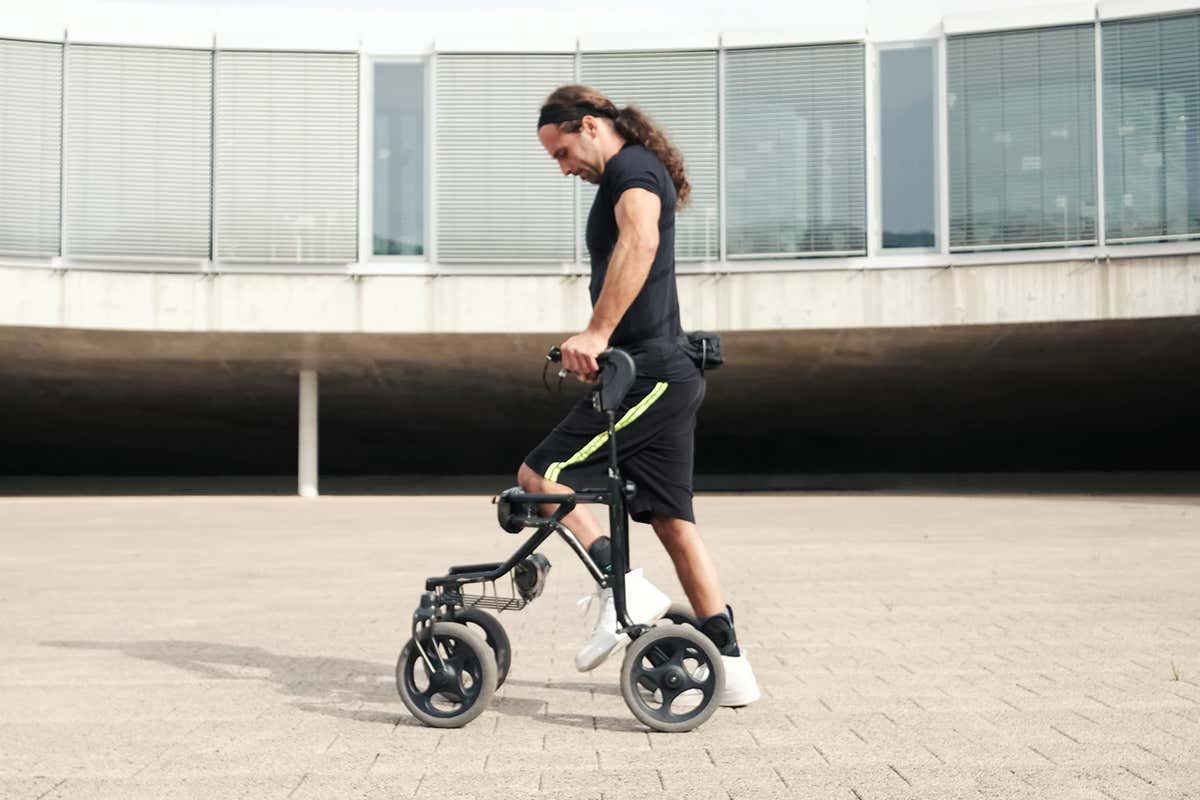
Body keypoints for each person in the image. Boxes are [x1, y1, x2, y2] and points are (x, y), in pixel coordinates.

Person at [519, 85, 759, 707]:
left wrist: (597, 333)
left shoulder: (631, 171)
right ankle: (731, 670)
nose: (564, 167)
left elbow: (642, 241)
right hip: (660, 371)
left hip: (653, 373)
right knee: (674, 523)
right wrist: (606, 351)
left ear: (590, 126)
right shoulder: (630, 173)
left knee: (541, 476)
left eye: (562, 152)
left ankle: (621, 584)